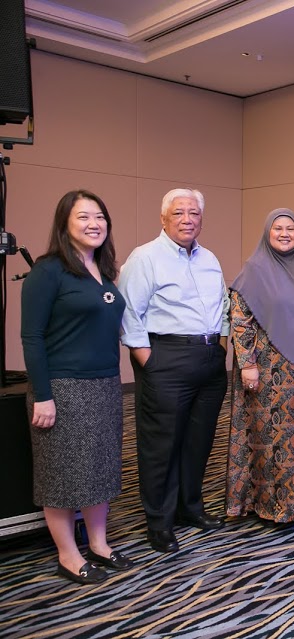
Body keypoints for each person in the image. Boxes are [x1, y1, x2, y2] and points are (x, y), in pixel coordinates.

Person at [21, 190, 133, 584]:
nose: (94, 224)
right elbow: (31, 337)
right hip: (63, 389)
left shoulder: (103, 269)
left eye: (100, 216)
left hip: (105, 385)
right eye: (84, 216)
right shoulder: (48, 270)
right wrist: (44, 395)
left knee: (99, 471)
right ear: (64, 223)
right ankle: (67, 555)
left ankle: (99, 545)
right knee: (62, 476)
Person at [118, 188, 229, 553]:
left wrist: (222, 345)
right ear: (163, 218)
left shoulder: (209, 258)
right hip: (166, 359)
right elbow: (129, 314)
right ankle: (159, 522)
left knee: (198, 443)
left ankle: (189, 508)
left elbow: (224, 306)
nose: (187, 219)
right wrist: (149, 360)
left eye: (194, 213)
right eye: (179, 213)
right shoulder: (145, 258)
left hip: (210, 362)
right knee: (161, 445)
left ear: (202, 218)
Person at [225, 208, 294, 525]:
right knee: (270, 437)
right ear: (267, 232)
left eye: (291, 228)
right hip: (268, 372)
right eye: (278, 228)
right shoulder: (254, 271)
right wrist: (247, 364)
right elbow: (240, 322)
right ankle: (274, 505)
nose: (285, 233)